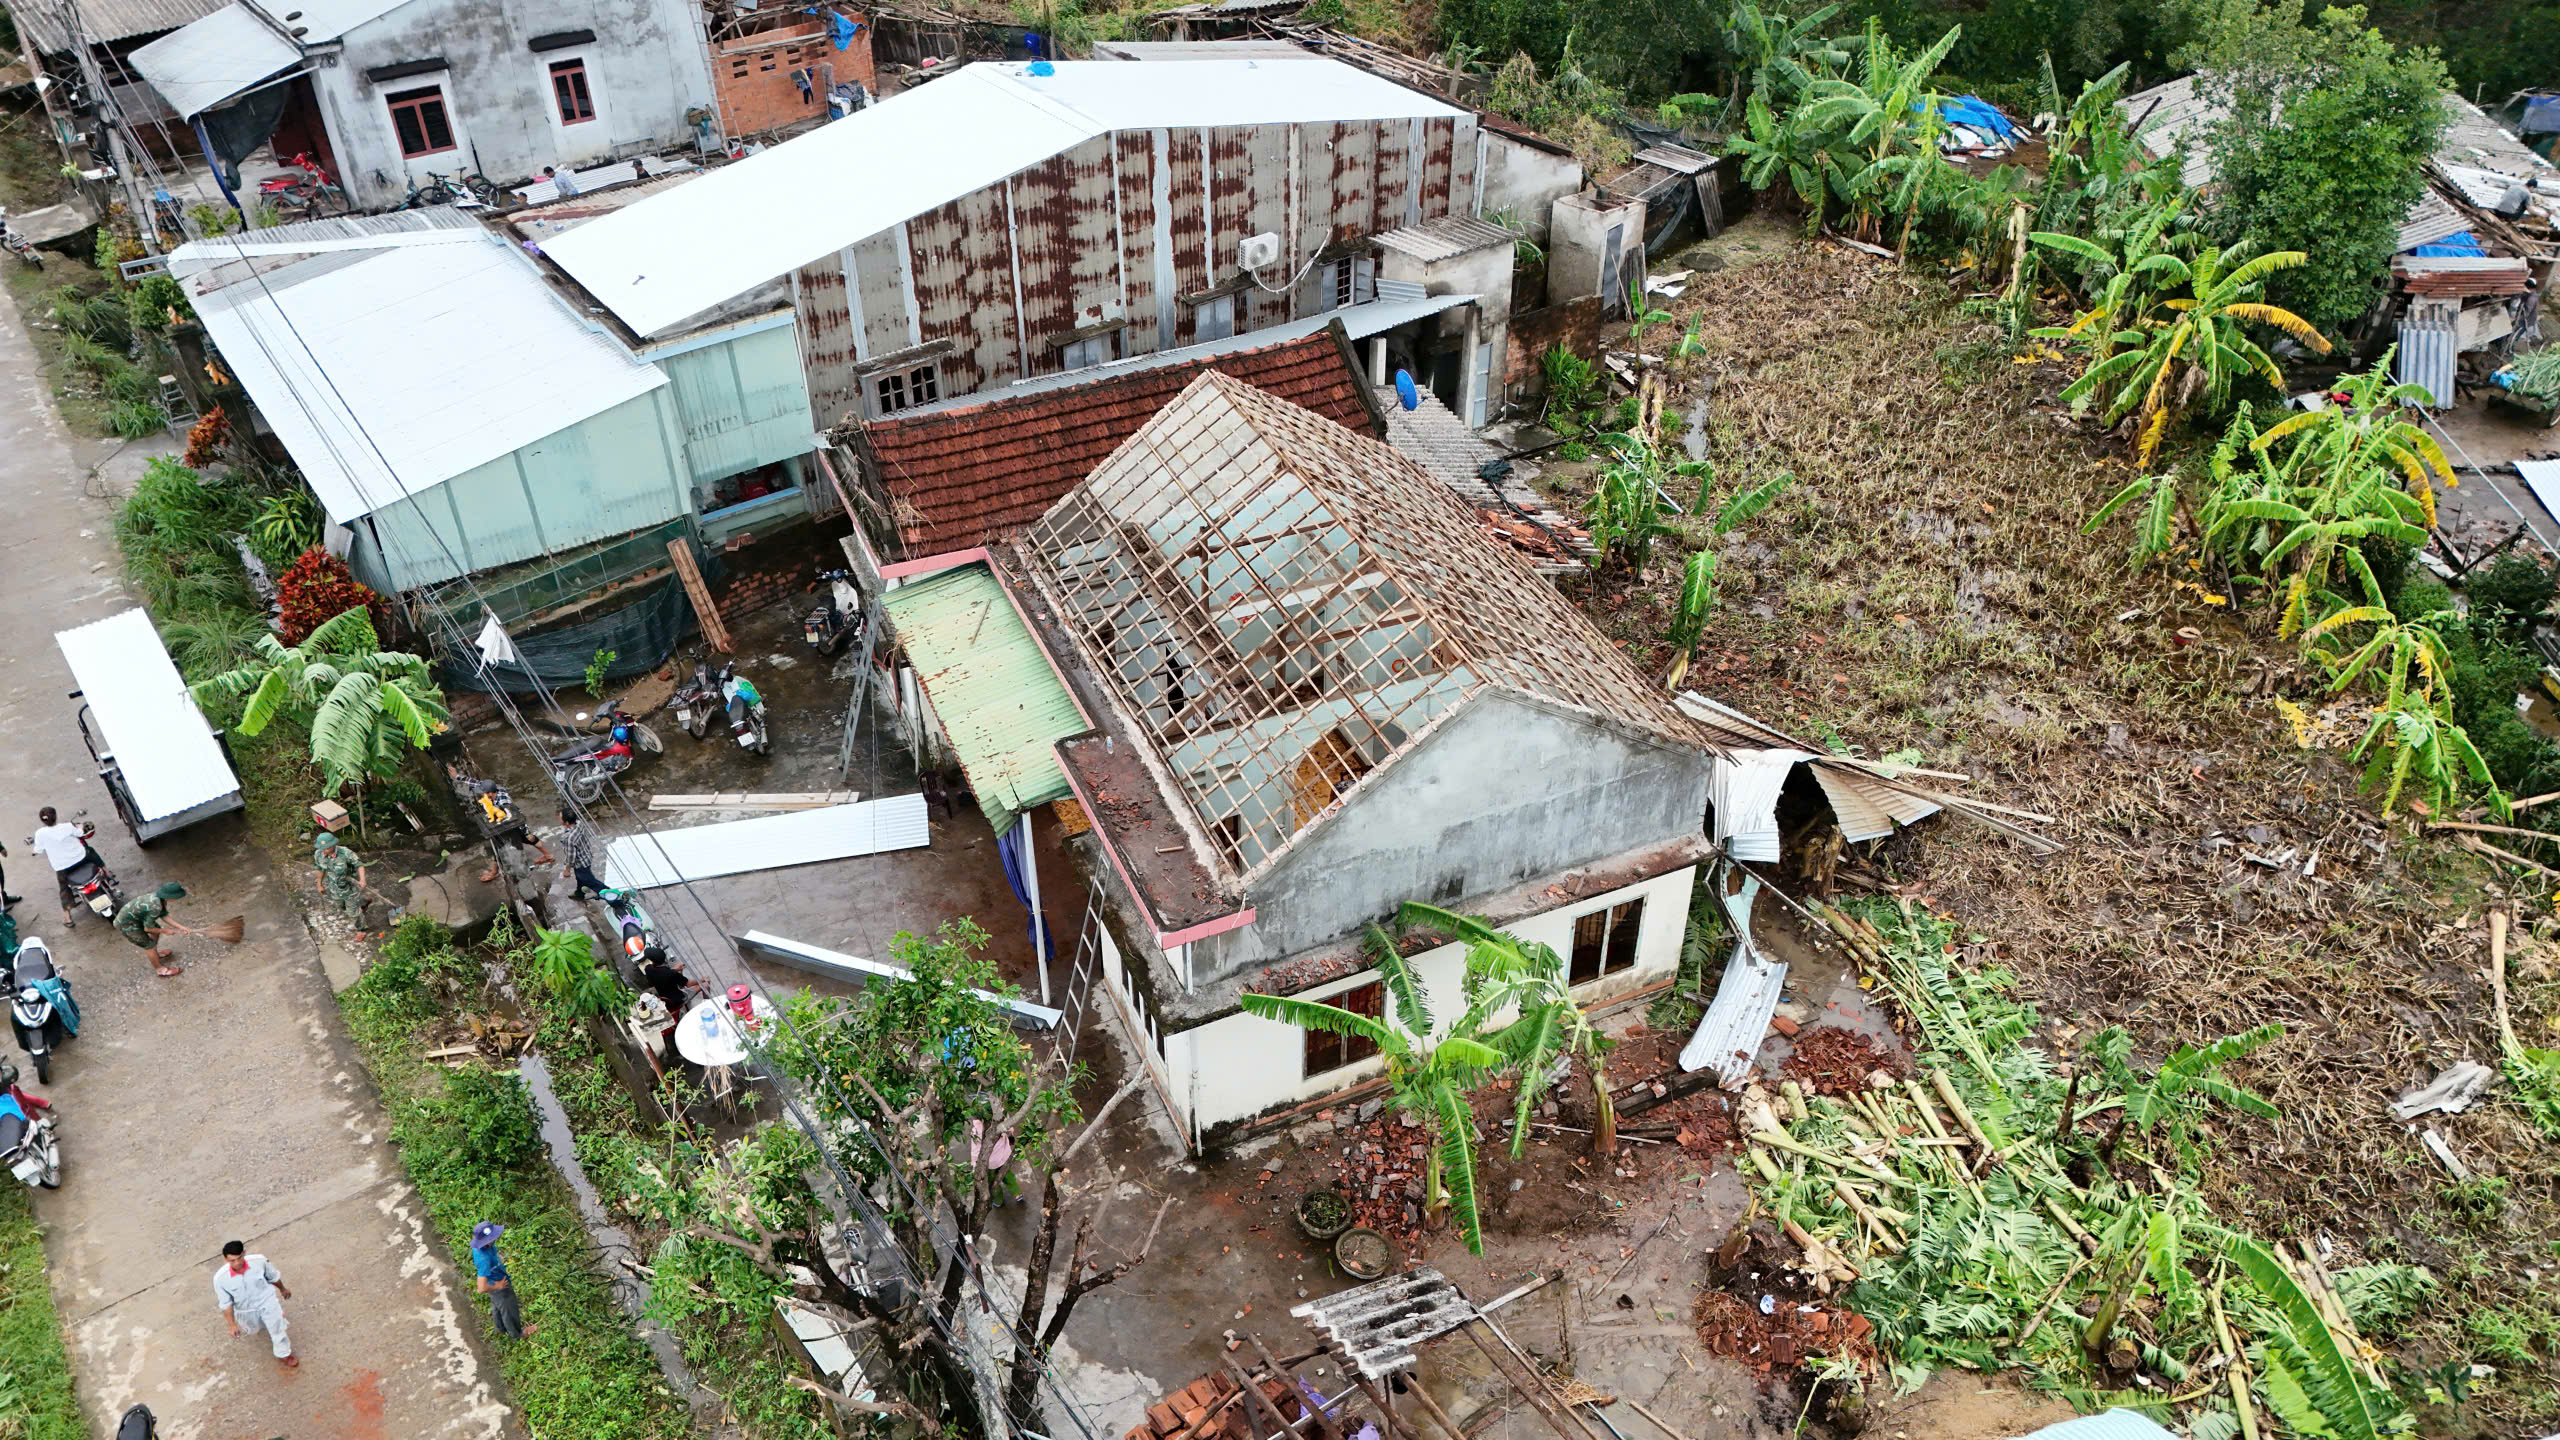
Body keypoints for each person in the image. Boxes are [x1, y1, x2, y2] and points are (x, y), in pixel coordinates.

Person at [212, 1241, 297, 1367]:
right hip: (246, 1310)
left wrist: (283, 1289)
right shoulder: (220, 1279)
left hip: (267, 1302)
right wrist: (232, 1325)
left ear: (244, 1253)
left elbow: (272, 1277)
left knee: (277, 1329)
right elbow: (226, 1303)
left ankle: (284, 1353)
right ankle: (265, 1326)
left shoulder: (259, 1261)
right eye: (232, 1260)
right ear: (225, 1259)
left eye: (239, 1257)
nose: (237, 1263)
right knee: (255, 1329)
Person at [468, 1222, 538, 1340]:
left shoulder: (480, 1247)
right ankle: (518, 1335)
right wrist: (498, 1286)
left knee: (497, 1306)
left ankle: (500, 1328)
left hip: (493, 1282)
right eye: (493, 1237)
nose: (496, 1237)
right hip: (498, 1286)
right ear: (487, 1241)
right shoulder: (484, 1260)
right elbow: (481, 1288)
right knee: (509, 1310)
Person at [29, 808, 97, 928]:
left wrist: (33, 851)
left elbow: (38, 850)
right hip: (81, 858)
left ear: (42, 820)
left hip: (63, 867)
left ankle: (67, 917)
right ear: (56, 816)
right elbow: (81, 833)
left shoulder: (40, 833)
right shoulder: (67, 826)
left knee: (64, 889)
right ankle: (107, 873)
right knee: (92, 854)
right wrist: (80, 826)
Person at [114, 882, 186, 978]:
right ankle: (159, 969)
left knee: (156, 929)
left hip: (135, 919)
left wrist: (182, 927)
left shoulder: (159, 898)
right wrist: (166, 931)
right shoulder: (155, 906)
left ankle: (155, 954)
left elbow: (164, 915)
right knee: (149, 946)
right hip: (126, 924)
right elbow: (148, 928)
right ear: (171, 897)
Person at [311, 831, 367, 922]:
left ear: (333, 845)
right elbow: (320, 868)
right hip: (334, 888)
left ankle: (361, 930)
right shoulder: (318, 854)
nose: (324, 851)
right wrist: (319, 884)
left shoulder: (345, 852)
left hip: (350, 886)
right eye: (322, 848)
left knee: (353, 913)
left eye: (327, 848)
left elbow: (359, 865)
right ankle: (361, 904)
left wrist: (362, 879)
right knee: (340, 906)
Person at [557, 809, 605, 899]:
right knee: (580, 878)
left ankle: (612, 895)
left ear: (566, 822)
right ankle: (579, 893)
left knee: (591, 882)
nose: (558, 819)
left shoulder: (569, 838)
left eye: (560, 818)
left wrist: (567, 870)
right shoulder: (579, 824)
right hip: (587, 856)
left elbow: (571, 857)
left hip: (581, 864)